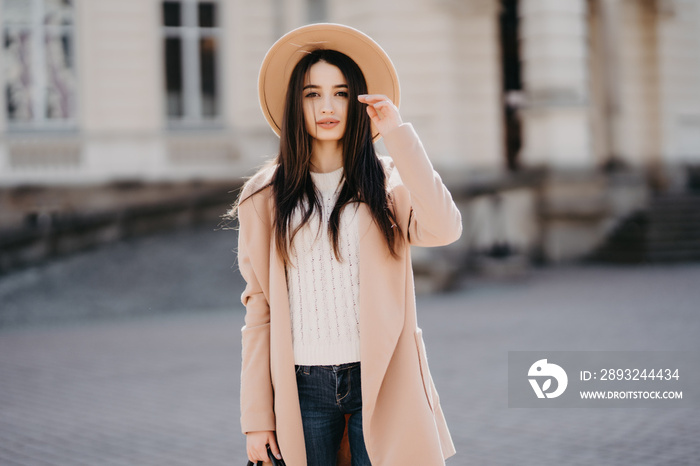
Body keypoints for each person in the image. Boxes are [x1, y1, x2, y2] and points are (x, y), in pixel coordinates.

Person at [230, 23, 462, 466]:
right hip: (302, 391)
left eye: (340, 92)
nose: (327, 106)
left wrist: (397, 133)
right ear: (295, 105)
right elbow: (258, 309)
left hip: (383, 381)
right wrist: (256, 418)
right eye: (312, 94)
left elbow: (445, 228)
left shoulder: (389, 184)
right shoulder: (263, 198)